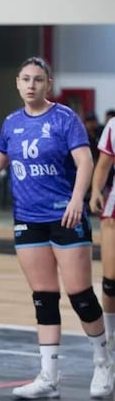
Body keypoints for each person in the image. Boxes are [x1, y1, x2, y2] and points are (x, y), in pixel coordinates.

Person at [0, 57, 113, 400]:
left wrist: (77, 199)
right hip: (28, 218)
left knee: (80, 296)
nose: (31, 85)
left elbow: (85, 160)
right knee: (44, 298)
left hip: (65, 217)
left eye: (38, 79)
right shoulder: (11, 123)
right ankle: (49, 377)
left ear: (48, 84)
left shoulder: (65, 119)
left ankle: (103, 363)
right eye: (25, 79)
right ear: (18, 84)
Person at [90, 115, 115, 353]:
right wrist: (96, 189)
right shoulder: (114, 126)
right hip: (114, 212)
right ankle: (111, 341)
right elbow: (103, 165)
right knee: (111, 284)